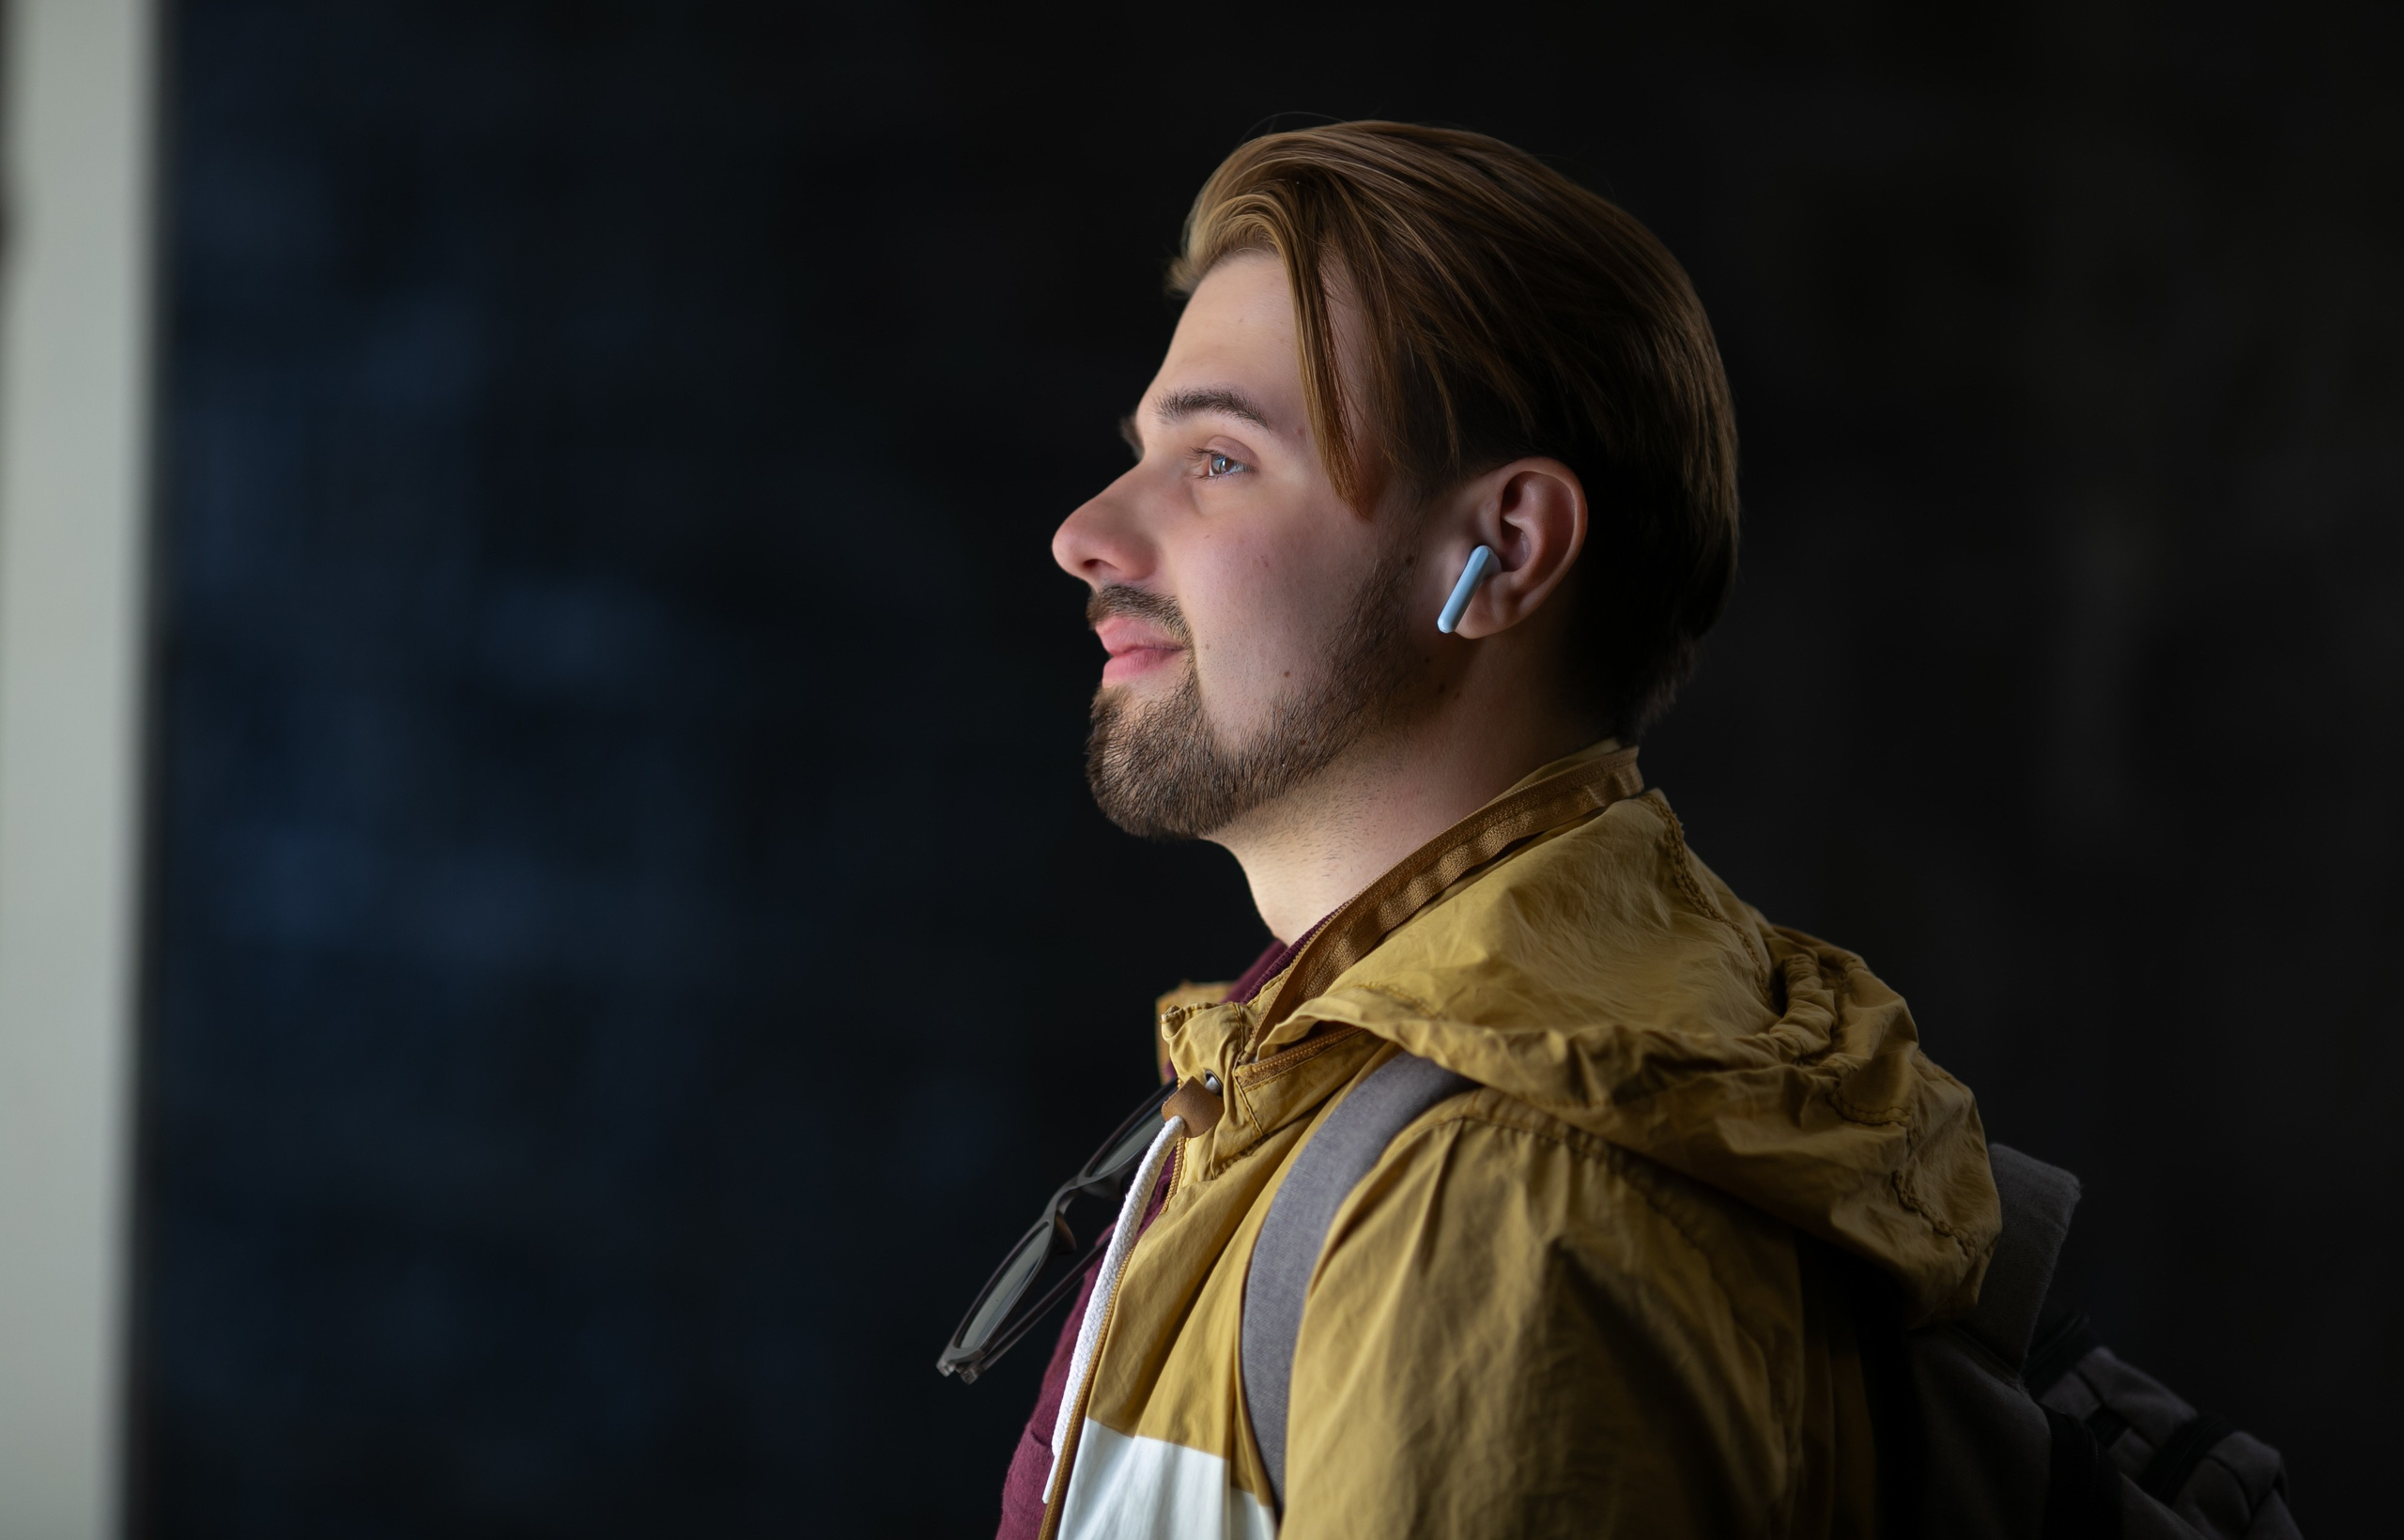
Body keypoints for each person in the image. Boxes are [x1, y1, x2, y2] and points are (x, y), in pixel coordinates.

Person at [999, 121, 1999, 1540]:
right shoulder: (1317, 1072)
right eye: (1145, 454)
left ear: (1503, 554)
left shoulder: (1501, 1207)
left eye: (1220, 460)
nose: (1087, 533)